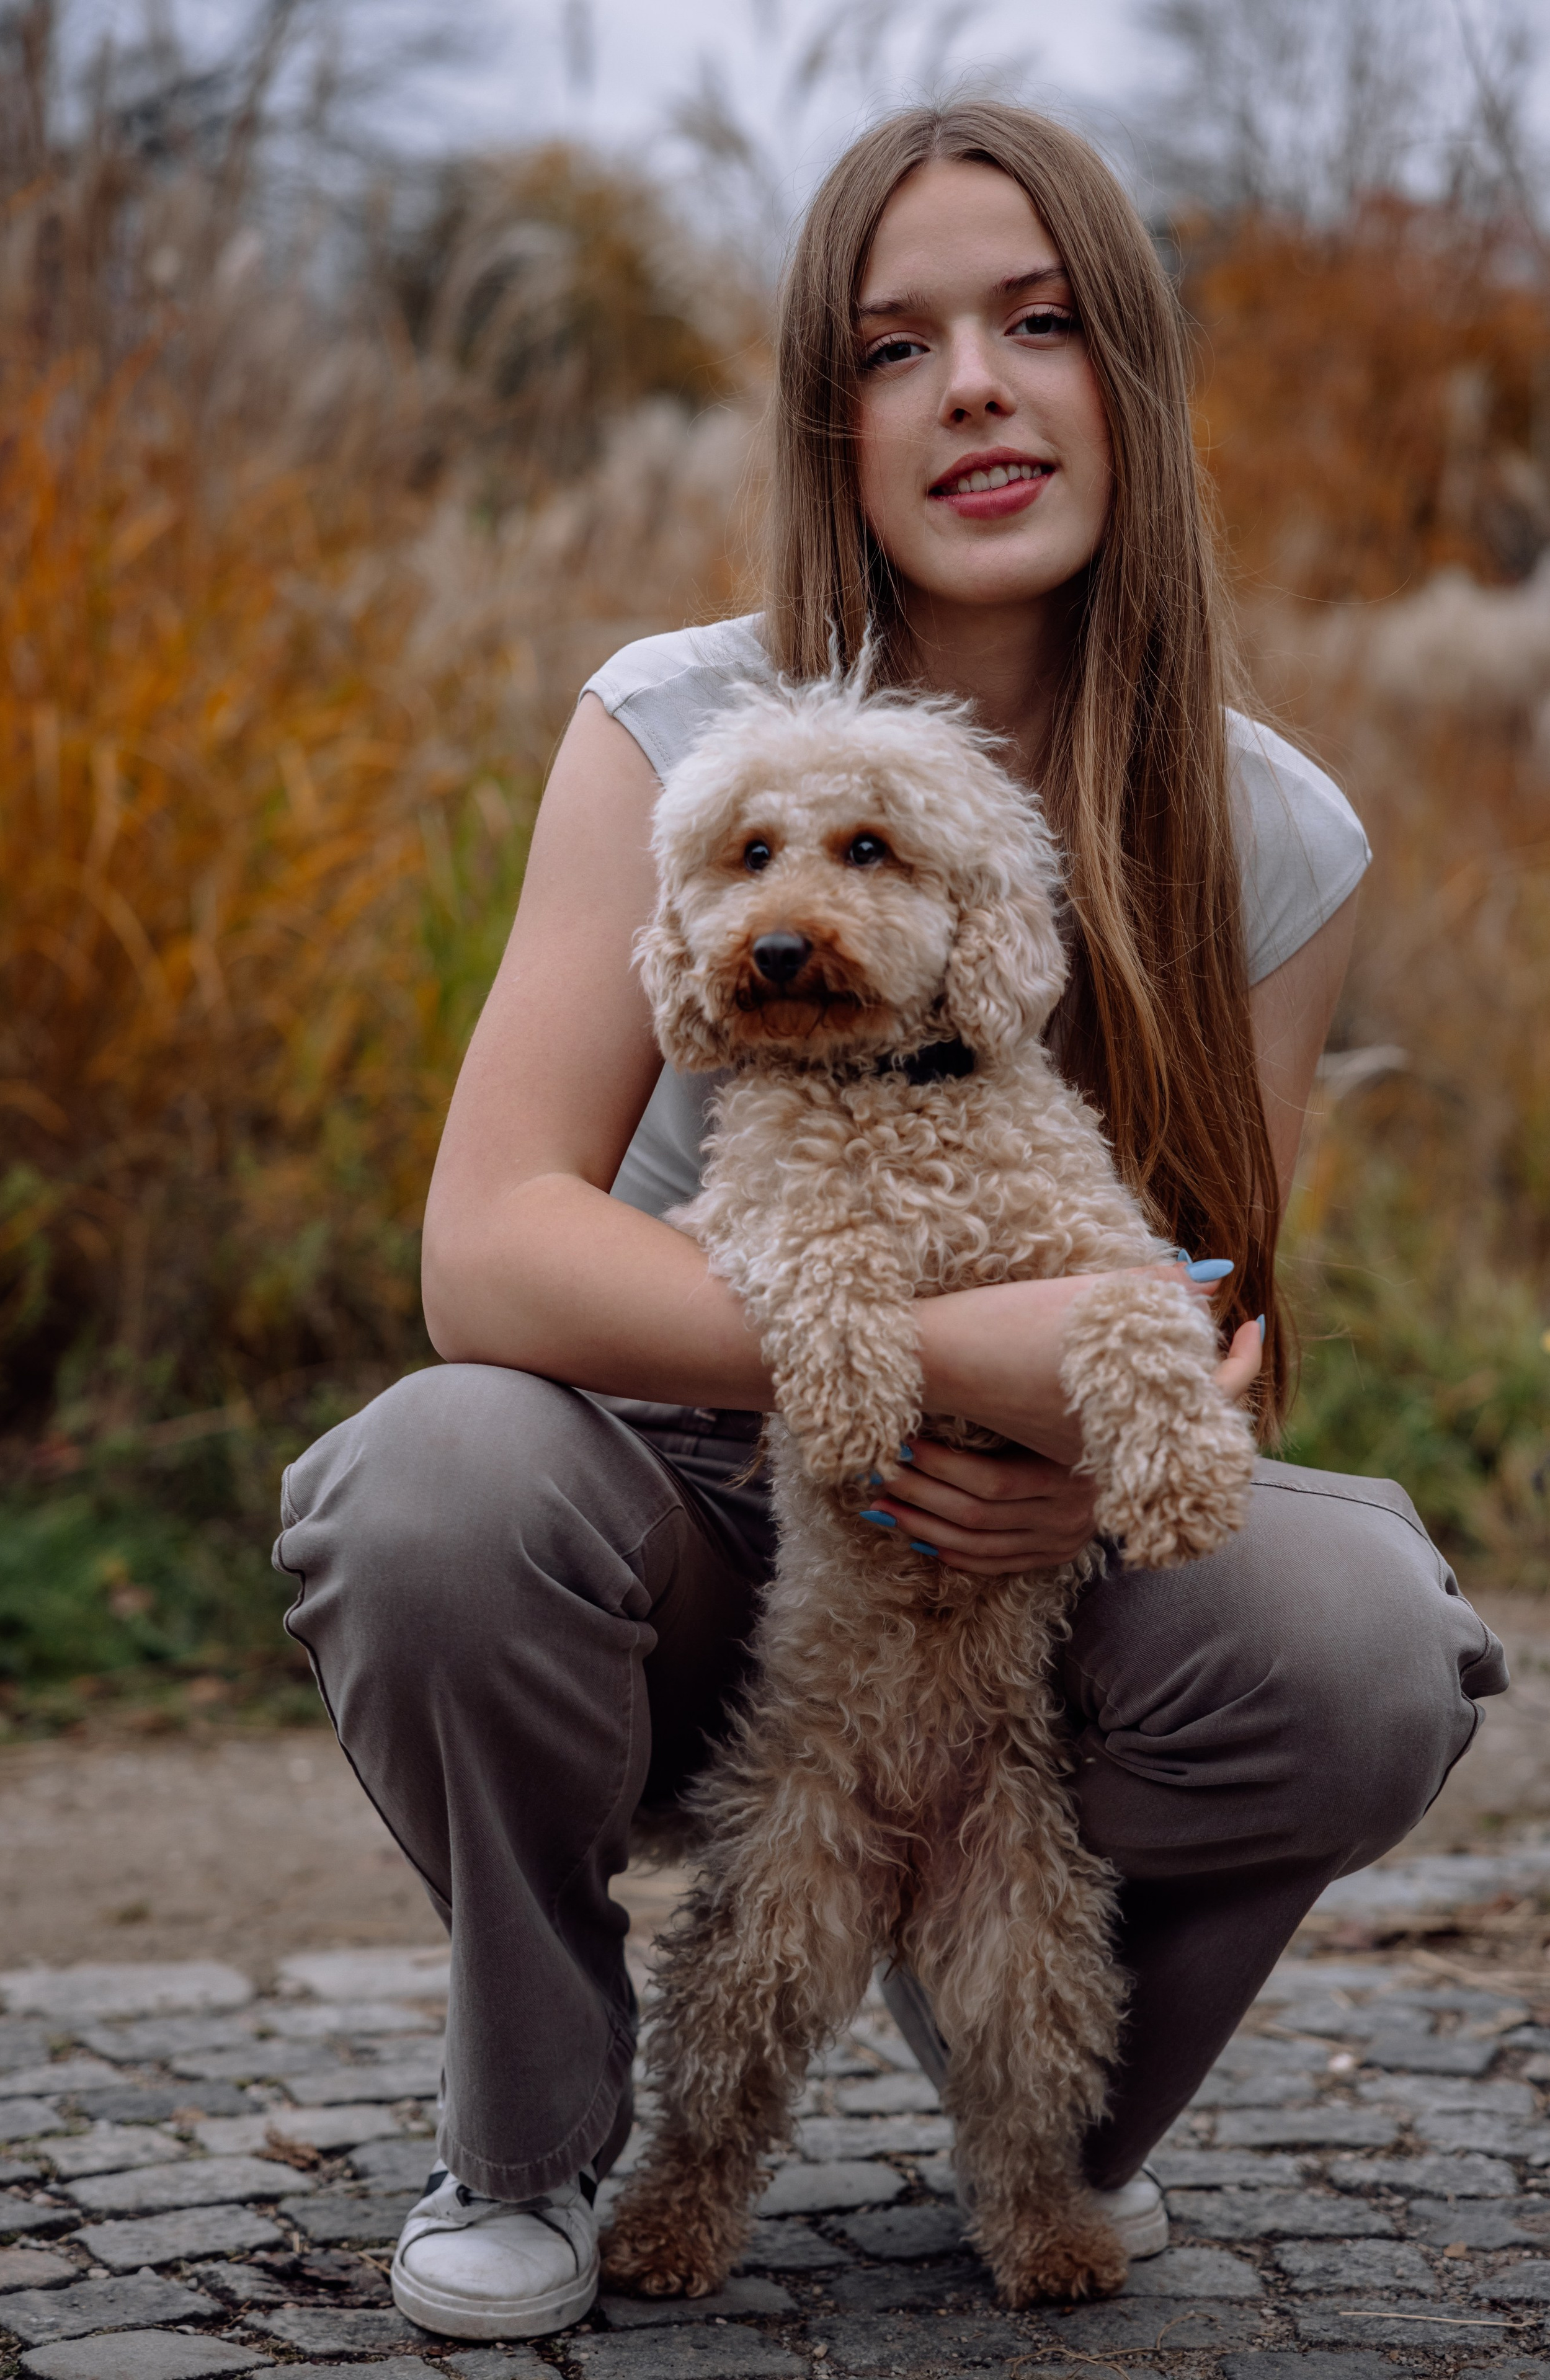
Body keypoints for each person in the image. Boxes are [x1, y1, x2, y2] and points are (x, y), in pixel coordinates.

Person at [272, 103, 1507, 2345]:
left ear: (1126, 375)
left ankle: (1033, 2074)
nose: (972, 388)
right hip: (655, 1486)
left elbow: (1222, 1304)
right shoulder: (674, 725)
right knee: (428, 1481)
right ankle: (534, 2137)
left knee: (1364, 1633)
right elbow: (490, 1252)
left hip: (1009, 1551)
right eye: (894, 343)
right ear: (825, 417)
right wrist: (932, 1353)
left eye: (1038, 325)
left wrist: (1086, 1446)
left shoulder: (1272, 830)